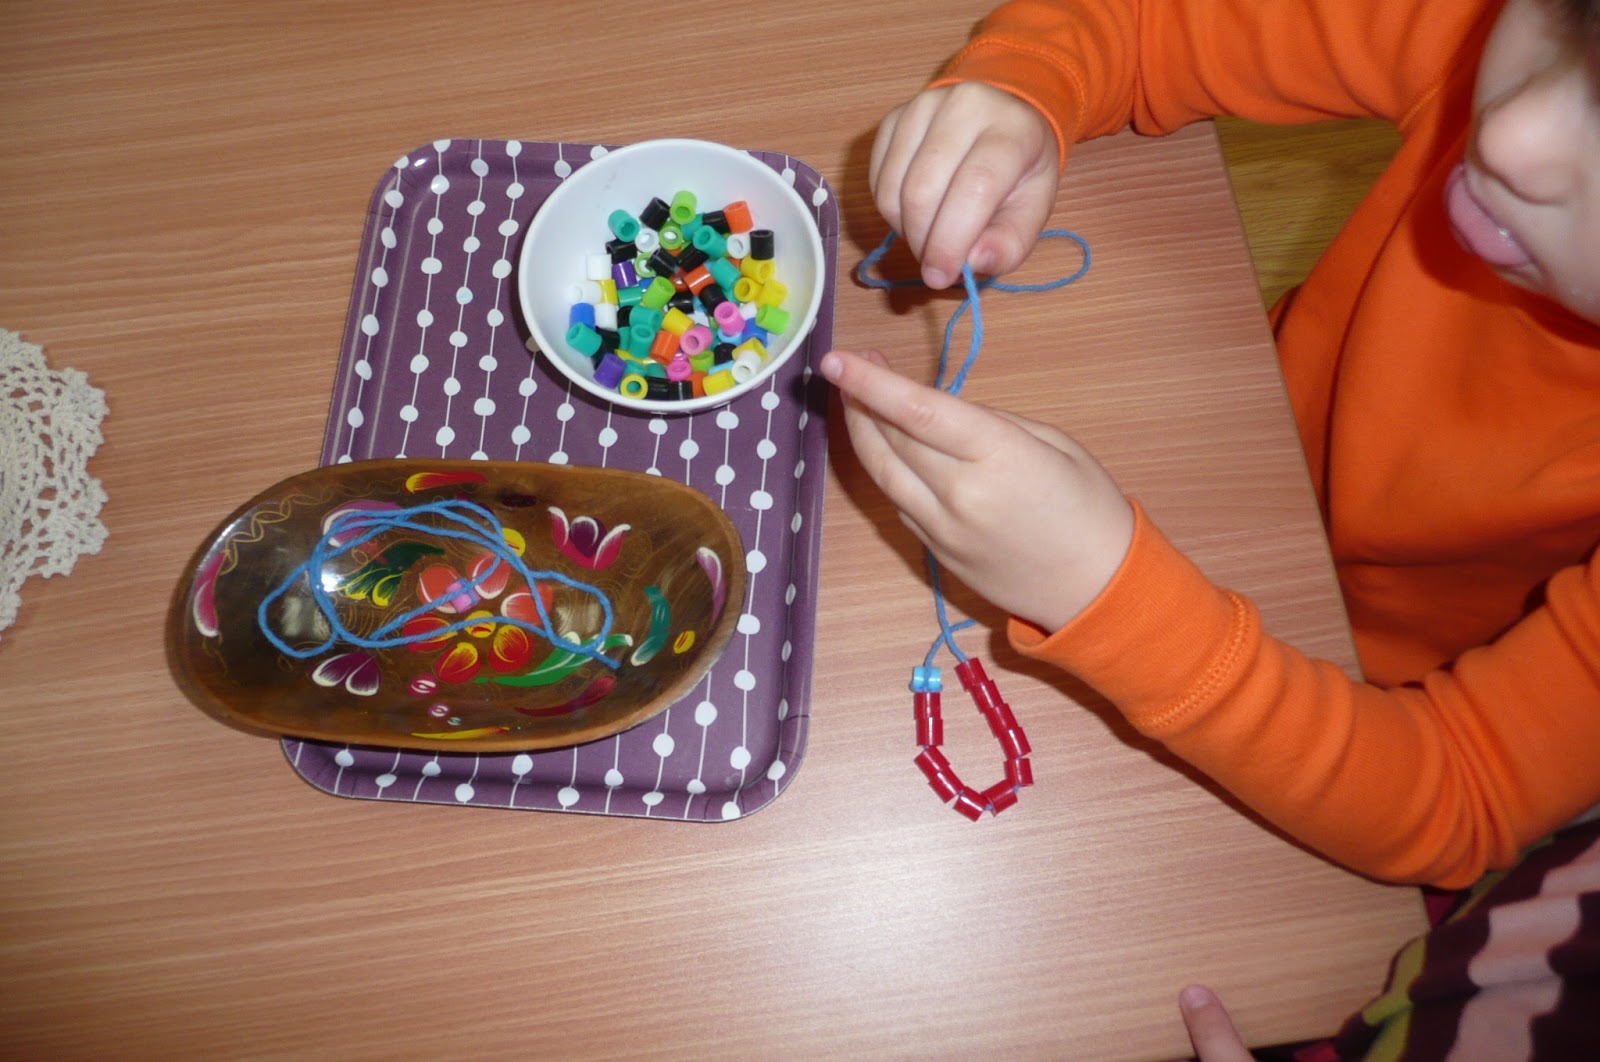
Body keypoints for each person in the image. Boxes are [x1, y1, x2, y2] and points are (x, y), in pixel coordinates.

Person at [825, 0, 1600, 1055]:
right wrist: (1022, 94)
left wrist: (1109, 599)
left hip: (1376, 690)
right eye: (1565, 15)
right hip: (1255, 448)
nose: (1511, 131)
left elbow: (1457, 795)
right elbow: (1148, 20)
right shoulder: (1472, 37)